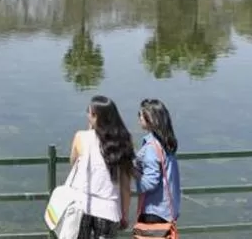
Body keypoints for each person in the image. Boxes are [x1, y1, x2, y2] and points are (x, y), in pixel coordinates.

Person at [68, 95, 135, 238]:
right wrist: (124, 215)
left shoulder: (81, 137)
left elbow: (74, 164)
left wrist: (90, 130)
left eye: (89, 112)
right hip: (108, 210)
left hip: (81, 206)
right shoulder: (122, 141)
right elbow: (125, 186)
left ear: (94, 116)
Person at [135, 99, 181, 225]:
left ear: (150, 119)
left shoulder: (151, 147)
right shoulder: (167, 143)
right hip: (168, 211)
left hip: (153, 212)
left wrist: (132, 170)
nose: (138, 117)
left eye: (141, 115)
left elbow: (149, 183)